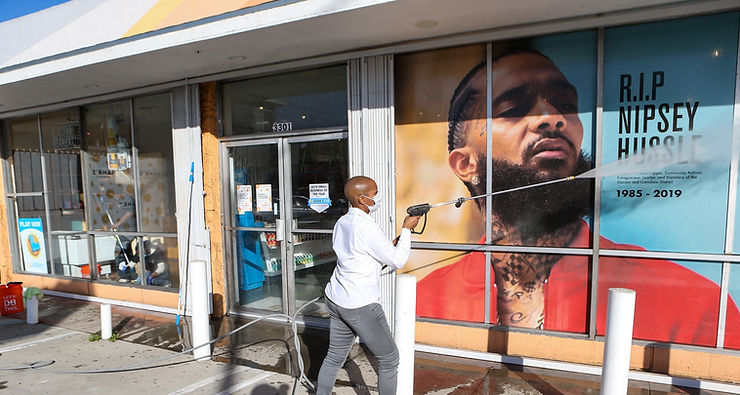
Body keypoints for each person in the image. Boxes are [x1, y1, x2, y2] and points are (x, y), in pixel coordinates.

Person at [415, 48, 740, 348]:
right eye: (513, 109)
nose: (553, 117)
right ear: (465, 164)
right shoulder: (423, 302)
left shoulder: (692, 305)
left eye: (566, 105)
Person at [317, 176, 420, 395]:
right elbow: (398, 260)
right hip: (359, 303)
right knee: (390, 359)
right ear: (362, 199)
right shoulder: (367, 227)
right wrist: (407, 230)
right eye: (375, 193)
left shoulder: (342, 222)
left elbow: (358, 256)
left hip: (336, 297)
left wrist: (389, 246)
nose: (377, 196)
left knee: (334, 356)